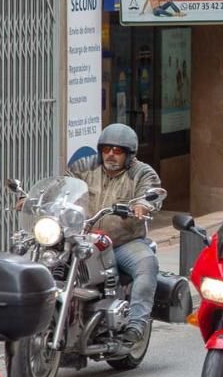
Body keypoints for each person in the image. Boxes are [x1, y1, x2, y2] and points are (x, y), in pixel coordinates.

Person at [68, 123, 162, 344]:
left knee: (147, 264)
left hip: (122, 242)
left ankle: (137, 324)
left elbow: (151, 194)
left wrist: (142, 205)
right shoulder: (84, 166)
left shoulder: (141, 172)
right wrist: (37, 202)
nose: (111, 154)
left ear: (129, 155)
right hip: (83, 238)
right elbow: (64, 185)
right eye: (106, 149)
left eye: (118, 151)